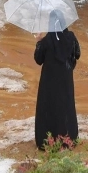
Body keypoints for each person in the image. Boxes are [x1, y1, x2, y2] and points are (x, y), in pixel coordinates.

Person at [34, 9, 81, 150]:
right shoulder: (71, 37)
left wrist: (38, 42)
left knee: (49, 108)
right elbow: (77, 54)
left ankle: (48, 141)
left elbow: (38, 59)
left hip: (48, 82)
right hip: (66, 80)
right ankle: (68, 139)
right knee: (66, 107)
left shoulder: (47, 41)